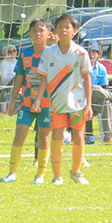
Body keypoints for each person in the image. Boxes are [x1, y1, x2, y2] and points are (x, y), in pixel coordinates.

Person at [31, 13, 93, 184]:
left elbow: (87, 78)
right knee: (57, 136)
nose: (64, 30)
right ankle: (57, 175)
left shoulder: (81, 53)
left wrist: (89, 104)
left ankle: (76, 171)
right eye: (60, 27)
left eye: (67, 27)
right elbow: (43, 77)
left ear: (74, 30)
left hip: (78, 102)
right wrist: (38, 99)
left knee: (79, 137)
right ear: (55, 31)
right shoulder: (49, 53)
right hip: (56, 102)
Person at [1, 19, 53, 183]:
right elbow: (19, 79)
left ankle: (40, 175)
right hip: (27, 102)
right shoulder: (25, 53)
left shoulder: (53, 54)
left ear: (48, 34)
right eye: (34, 30)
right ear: (29, 34)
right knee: (20, 134)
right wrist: (12, 101)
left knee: (43, 137)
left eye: (41, 30)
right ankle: (12, 172)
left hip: (47, 103)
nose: (38, 33)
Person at [87, 40, 112, 146]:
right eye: (89, 51)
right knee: (91, 87)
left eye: (94, 52)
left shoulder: (101, 68)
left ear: (98, 54)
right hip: (81, 99)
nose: (91, 55)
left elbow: (104, 89)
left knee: (107, 104)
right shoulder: (78, 66)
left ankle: (108, 137)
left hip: (96, 99)